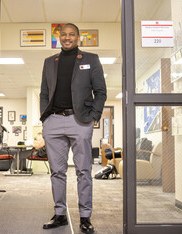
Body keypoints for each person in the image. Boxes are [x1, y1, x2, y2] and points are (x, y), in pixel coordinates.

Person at [40, 23, 107, 233]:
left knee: (83, 171)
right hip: (54, 121)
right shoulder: (49, 62)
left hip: (80, 121)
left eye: (72, 34)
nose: (67, 38)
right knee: (57, 172)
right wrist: (45, 118)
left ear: (78, 37)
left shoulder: (90, 59)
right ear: (59, 38)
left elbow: (101, 92)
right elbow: (44, 93)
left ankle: (85, 217)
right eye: (64, 35)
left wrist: (93, 117)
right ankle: (60, 214)